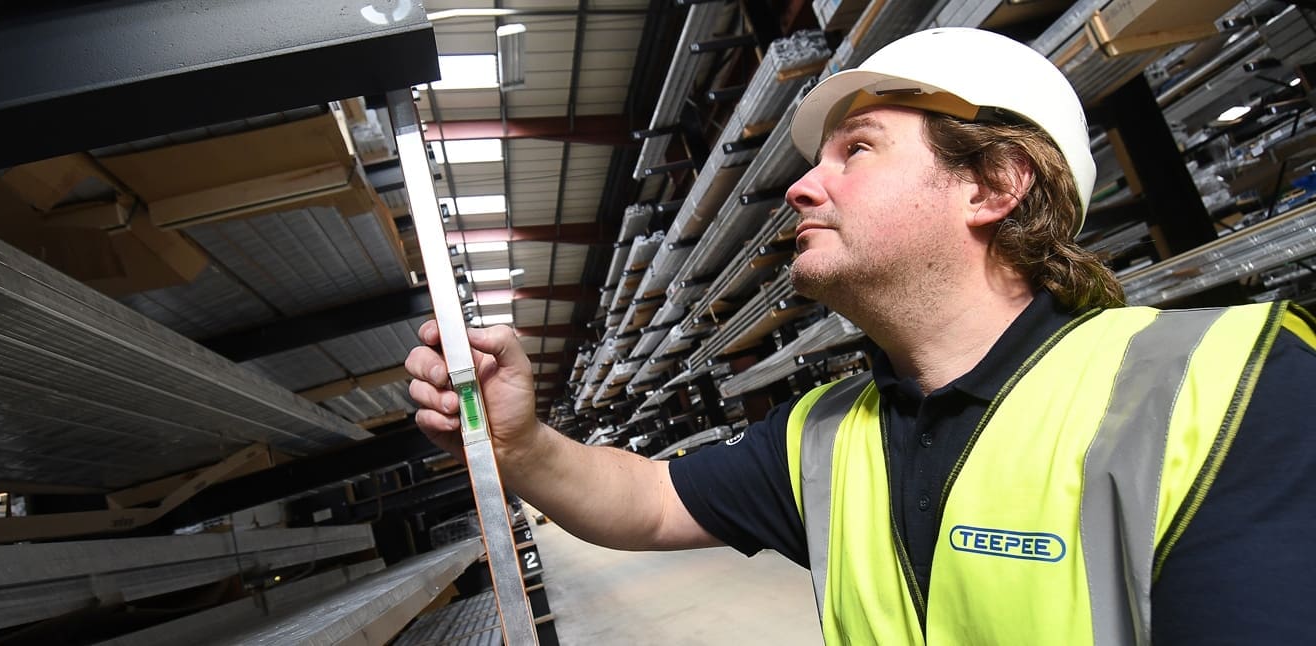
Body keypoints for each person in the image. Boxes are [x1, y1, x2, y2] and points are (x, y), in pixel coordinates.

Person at [406, 28, 1316, 645]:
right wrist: (518, 441)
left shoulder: (1227, 388)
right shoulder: (827, 434)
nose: (802, 188)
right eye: (814, 163)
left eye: (860, 150)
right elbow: (645, 501)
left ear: (991, 187)